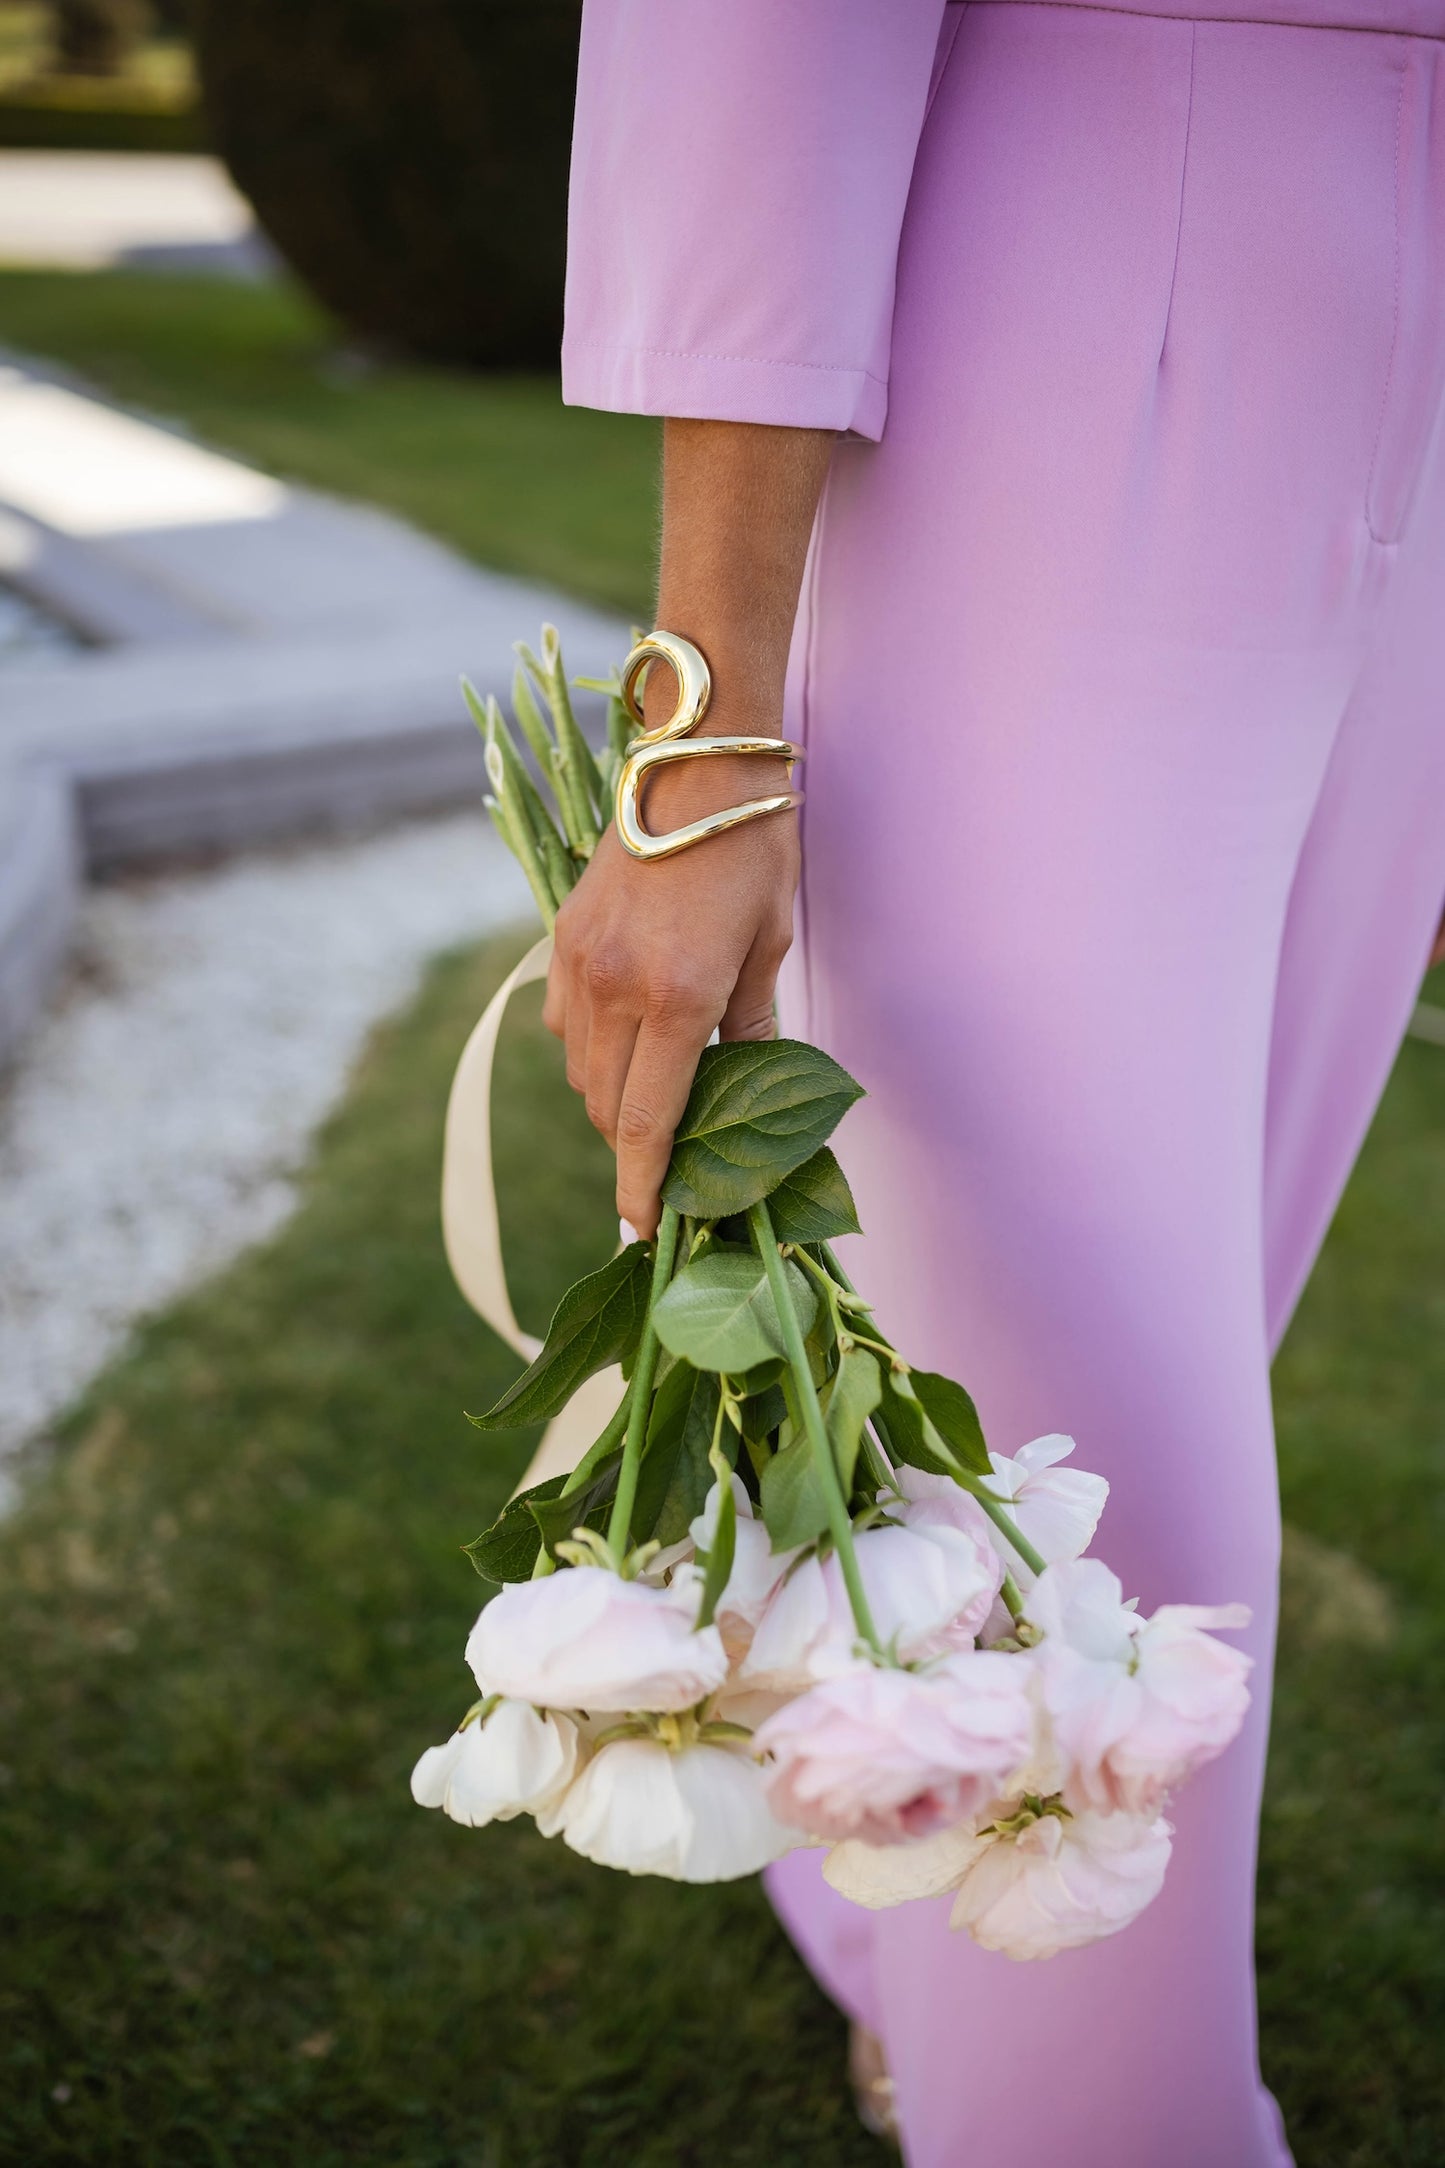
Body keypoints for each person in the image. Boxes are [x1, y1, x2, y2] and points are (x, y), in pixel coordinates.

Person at [544, 5, 1445, 2160]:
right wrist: (704, 734)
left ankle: (886, 1919)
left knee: (1165, 1370)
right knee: (1091, 1507)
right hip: (1074, 292)